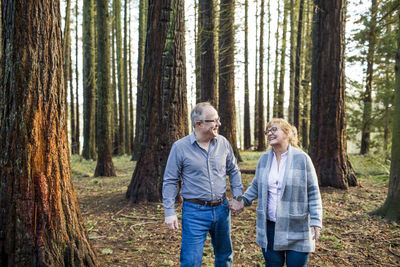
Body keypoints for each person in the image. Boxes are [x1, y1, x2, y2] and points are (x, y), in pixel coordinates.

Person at [230, 118, 322, 267]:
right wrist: (242, 201)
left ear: (287, 133)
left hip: (297, 227)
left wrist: (316, 221)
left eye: (274, 129)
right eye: (268, 131)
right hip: (269, 227)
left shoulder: (302, 159)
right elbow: (256, 186)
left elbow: (313, 192)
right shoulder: (264, 159)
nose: (269, 133)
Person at [162, 102, 243, 267]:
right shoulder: (180, 147)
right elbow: (170, 180)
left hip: (222, 209)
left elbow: (234, 170)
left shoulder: (223, 143)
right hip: (194, 212)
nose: (219, 124)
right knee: (190, 261)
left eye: (218, 120)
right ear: (198, 124)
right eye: (214, 121)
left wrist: (237, 197)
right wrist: (169, 211)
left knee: (224, 257)